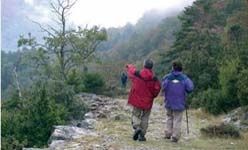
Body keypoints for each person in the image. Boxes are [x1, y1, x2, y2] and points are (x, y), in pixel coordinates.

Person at [125, 59, 161, 141]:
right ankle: (142, 135)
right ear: (152, 67)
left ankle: (137, 127)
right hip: (148, 101)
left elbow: (131, 72)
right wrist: (152, 96)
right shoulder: (154, 78)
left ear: (144, 65)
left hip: (137, 100)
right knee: (145, 117)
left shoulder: (137, 74)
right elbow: (157, 89)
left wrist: (129, 66)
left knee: (135, 114)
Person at [161, 61, 194, 143]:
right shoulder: (184, 78)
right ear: (181, 68)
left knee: (169, 117)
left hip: (169, 101)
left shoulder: (167, 77)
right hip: (180, 102)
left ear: (173, 68)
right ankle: (175, 136)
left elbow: (163, 87)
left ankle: (168, 133)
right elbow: (190, 88)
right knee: (177, 119)